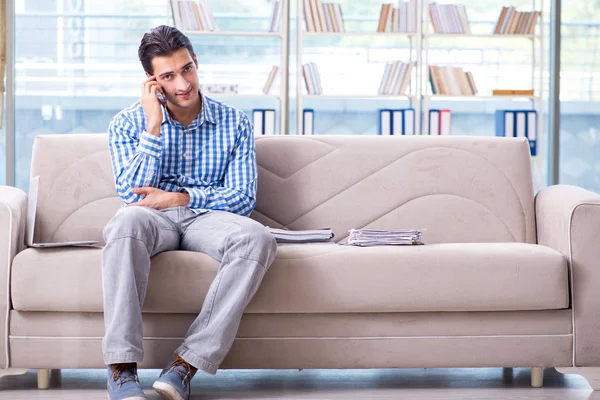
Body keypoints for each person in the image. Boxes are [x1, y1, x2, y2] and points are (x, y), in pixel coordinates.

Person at [102, 25, 277, 400]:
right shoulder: (127, 123)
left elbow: (243, 197)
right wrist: (153, 125)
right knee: (124, 223)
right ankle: (121, 368)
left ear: (196, 62)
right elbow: (130, 193)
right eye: (168, 76)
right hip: (151, 220)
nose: (182, 83)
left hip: (206, 219)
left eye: (187, 69)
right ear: (151, 81)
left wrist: (178, 197)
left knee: (257, 237)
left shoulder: (234, 123)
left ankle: (185, 363)